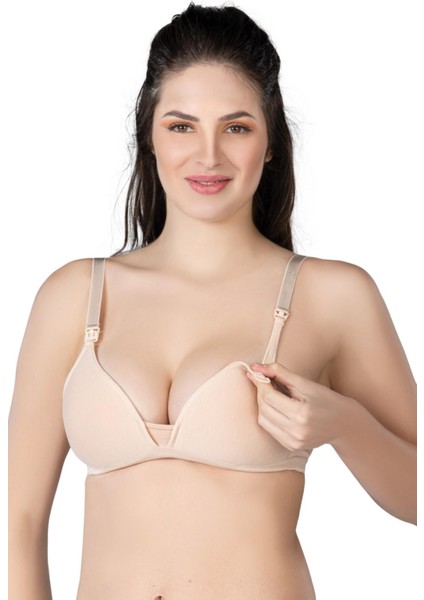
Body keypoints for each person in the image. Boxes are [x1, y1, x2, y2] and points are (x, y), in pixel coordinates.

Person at [8, 3, 417, 599]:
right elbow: (21, 522)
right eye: (181, 126)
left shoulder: (334, 296)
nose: (208, 156)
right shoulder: (74, 296)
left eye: (236, 127)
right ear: (149, 136)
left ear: (270, 142)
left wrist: (344, 425)